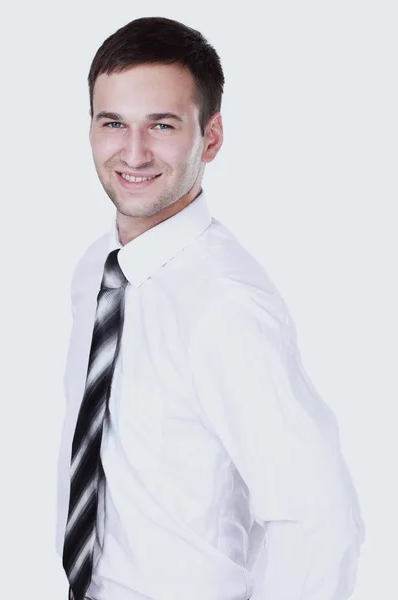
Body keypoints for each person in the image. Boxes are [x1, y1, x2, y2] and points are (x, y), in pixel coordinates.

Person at [56, 16, 365, 600]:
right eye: (113, 123)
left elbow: (320, 518)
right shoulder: (100, 272)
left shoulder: (224, 304)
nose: (134, 151)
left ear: (212, 137)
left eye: (163, 125)